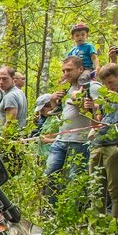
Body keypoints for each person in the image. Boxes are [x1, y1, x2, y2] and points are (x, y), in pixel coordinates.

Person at [42, 55, 98, 204]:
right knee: (49, 175)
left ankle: (76, 213)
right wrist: (54, 101)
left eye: (69, 70)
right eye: (64, 70)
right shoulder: (68, 88)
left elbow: (98, 113)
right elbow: (62, 115)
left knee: (76, 179)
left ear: (80, 69)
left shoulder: (92, 86)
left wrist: (82, 102)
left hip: (80, 140)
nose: (65, 74)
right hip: (61, 139)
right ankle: (50, 212)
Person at [89, 63, 118, 216]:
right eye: (105, 84)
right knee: (95, 191)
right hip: (99, 144)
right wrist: (90, 109)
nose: (109, 87)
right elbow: (97, 122)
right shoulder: (107, 95)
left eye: (111, 82)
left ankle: (116, 233)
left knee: (116, 192)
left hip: (116, 146)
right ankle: (97, 231)